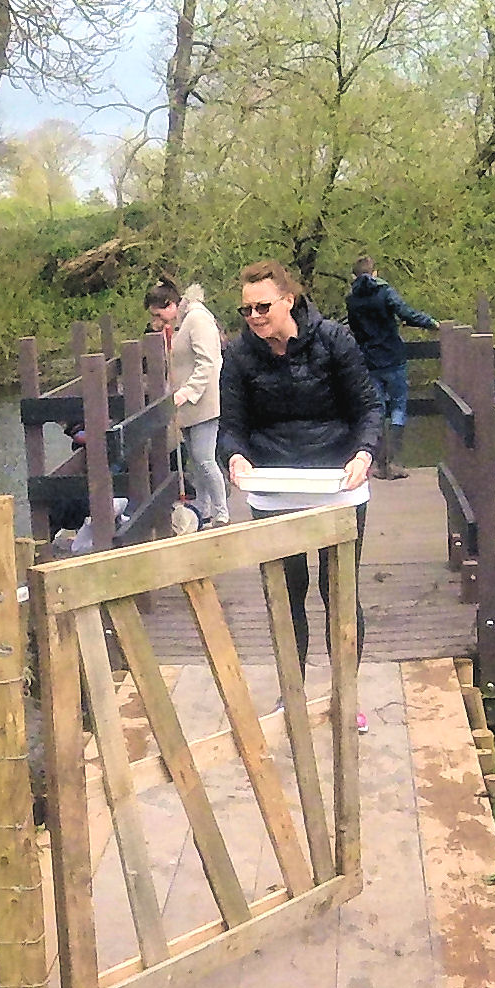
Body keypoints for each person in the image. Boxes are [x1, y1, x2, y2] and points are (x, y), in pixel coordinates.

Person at [218, 259, 382, 728]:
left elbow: (368, 407)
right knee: (286, 594)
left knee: (340, 591)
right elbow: (231, 425)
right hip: (272, 485)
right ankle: (292, 694)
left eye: (262, 306)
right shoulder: (240, 354)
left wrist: (364, 454)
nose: (253, 317)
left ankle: (344, 696)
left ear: (288, 300)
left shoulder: (334, 340)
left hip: (337, 479)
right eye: (245, 309)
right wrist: (235, 457)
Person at [343, 256, 439, 479]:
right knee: (398, 407)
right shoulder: (385, 292)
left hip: (369, 360)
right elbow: (406, 312)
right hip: (393, 358)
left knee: (376, 409)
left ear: (353, 276)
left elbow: (356, 331)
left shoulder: (352, 300)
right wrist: (431, 323)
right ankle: (394, 463)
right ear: (374, 273)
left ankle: (377, 464)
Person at [148, 278, 227, 529]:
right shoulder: (181, 324)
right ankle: (203, 509)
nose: (158, 320)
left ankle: (222, 513)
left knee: (205, 459)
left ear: (171, 304)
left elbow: (209, 362)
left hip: (202, 402)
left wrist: (186, 392)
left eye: (159, 314)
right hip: (188, 406)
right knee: (195, 459)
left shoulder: (197, 319)